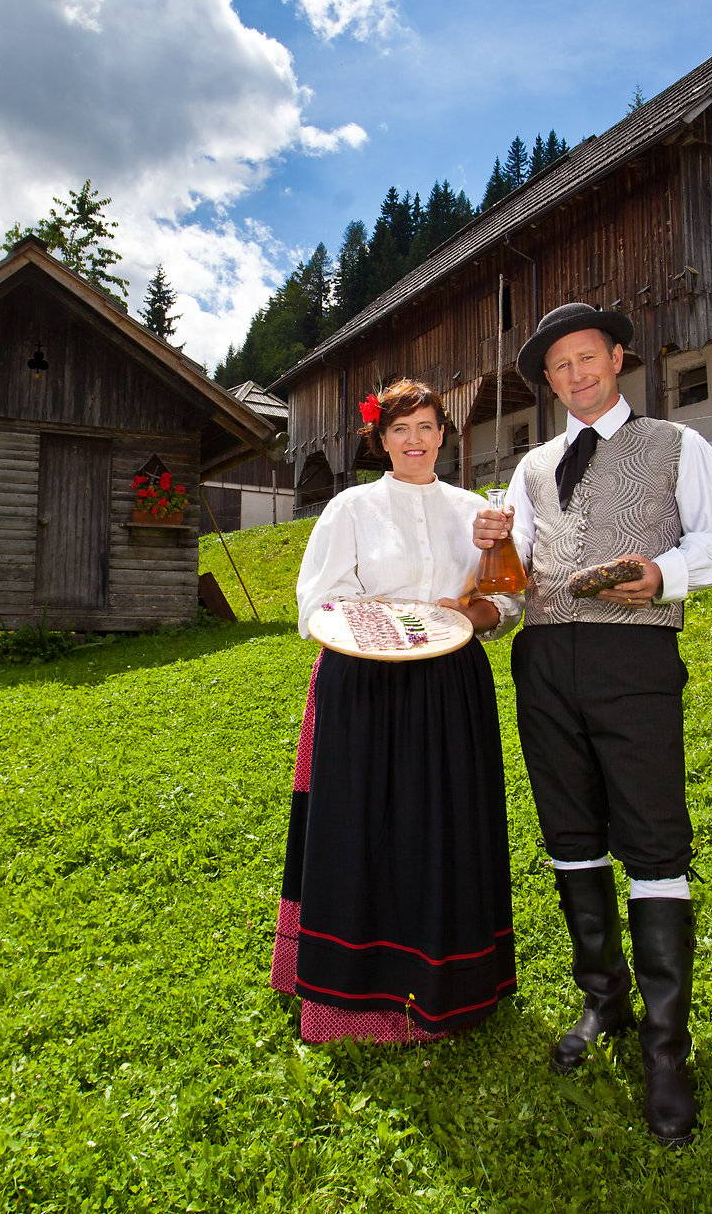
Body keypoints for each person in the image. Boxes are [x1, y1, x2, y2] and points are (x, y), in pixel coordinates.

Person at [471, 302, 712, 1145]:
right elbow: (519, 581)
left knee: (654, 839)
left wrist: (660, 572)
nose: (575, 375)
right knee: (570, 833)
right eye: (560, 368)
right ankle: (605, 999)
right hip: (545, 665)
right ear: (548, 382)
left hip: (635, 664)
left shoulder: (678, 444)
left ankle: (668, 1050)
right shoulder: (529, 467)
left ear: (617, 357)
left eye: (587, 358)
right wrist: (487, 599)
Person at [269, 378, 517, 1044]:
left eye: (427, 426)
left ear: (444, 433)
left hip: (449, 683)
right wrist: (383, 624)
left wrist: (473, 609)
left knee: (444, 826)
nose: (415, 440)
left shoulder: (475, 510)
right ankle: (349, 997)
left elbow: (504, 603)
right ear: (380, 439)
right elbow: (318, 600)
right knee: (360, 826)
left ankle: (452, 981)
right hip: (364, 680)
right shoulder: (349, 508)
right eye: (401, 428)